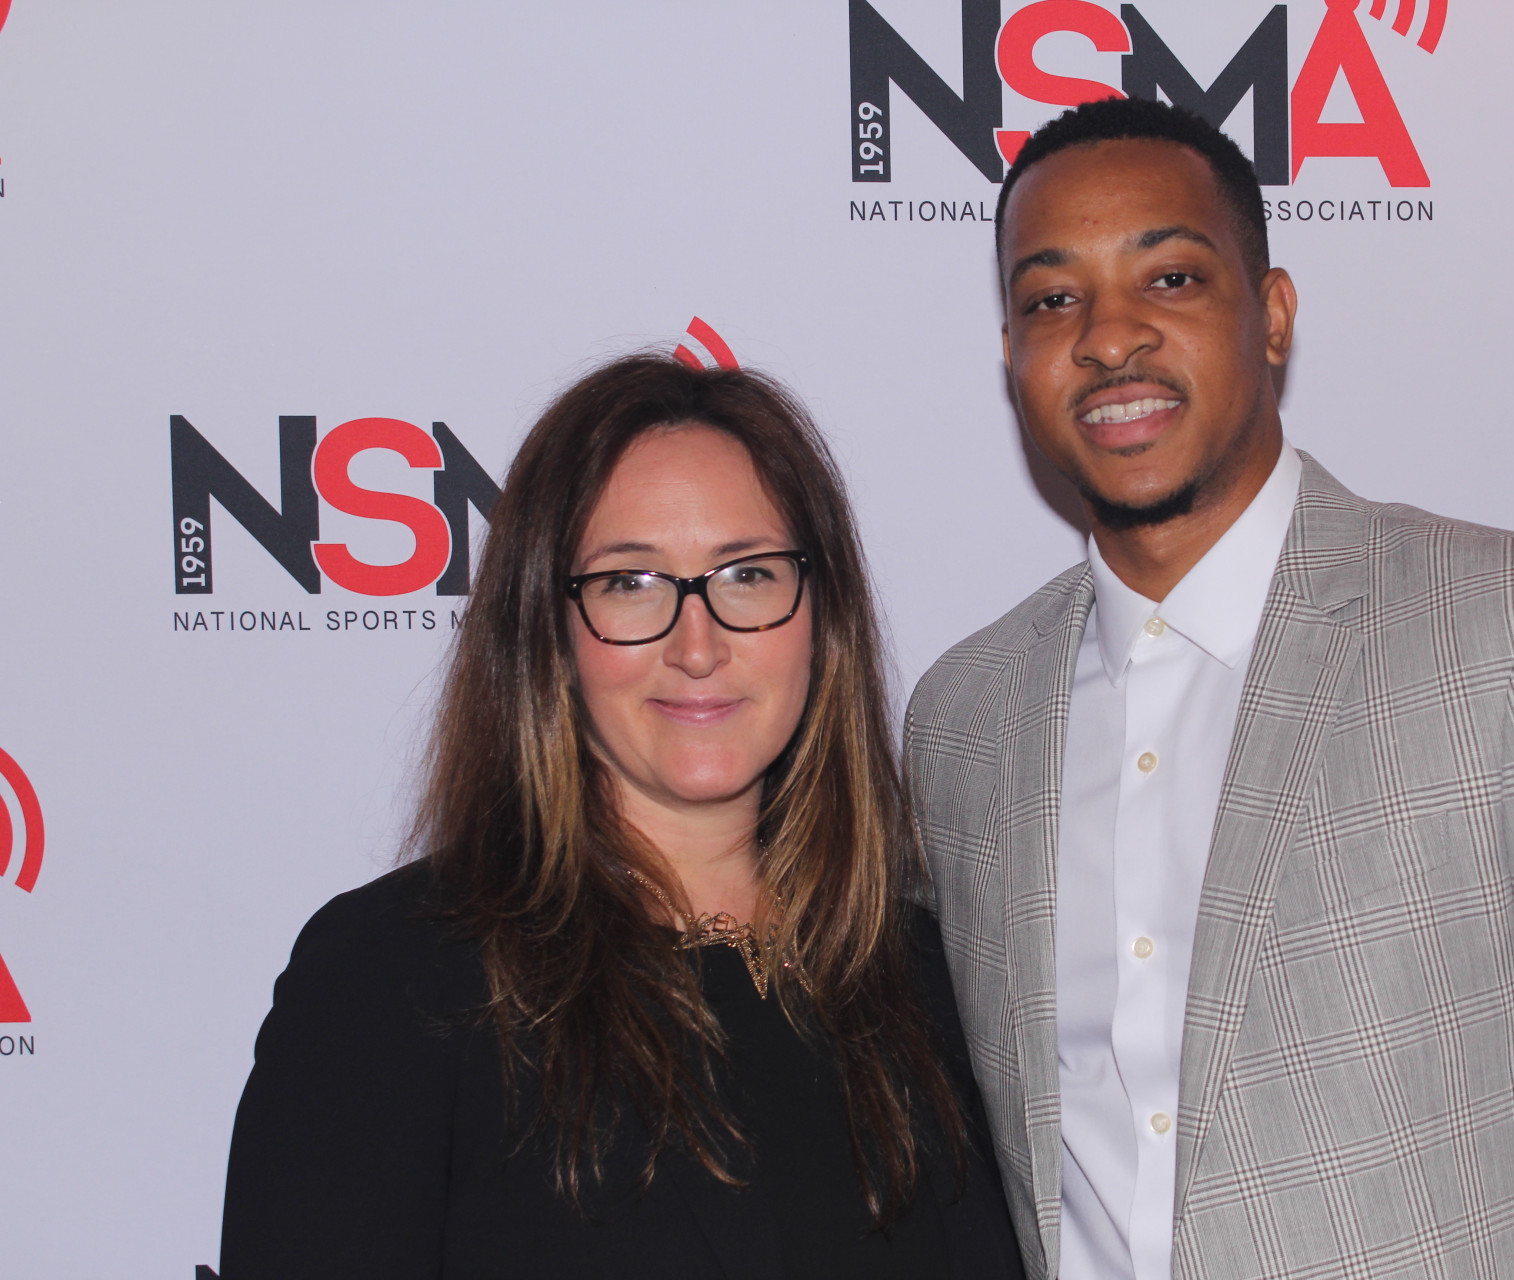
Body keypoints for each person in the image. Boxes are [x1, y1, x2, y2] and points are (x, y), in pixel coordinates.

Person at [905, 98, 1514, 1280]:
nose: (1109, 336)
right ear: (1013, 353)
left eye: (1170, 279)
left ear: (1272, 314)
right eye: (1052, 299)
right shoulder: (966, 720)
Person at [220, 353, 1024, 1279]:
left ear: (822, 615)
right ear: (548, 631)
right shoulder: (398, 978)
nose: (698, 646)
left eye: (748, 574)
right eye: (630, 584)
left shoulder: (932, 978)